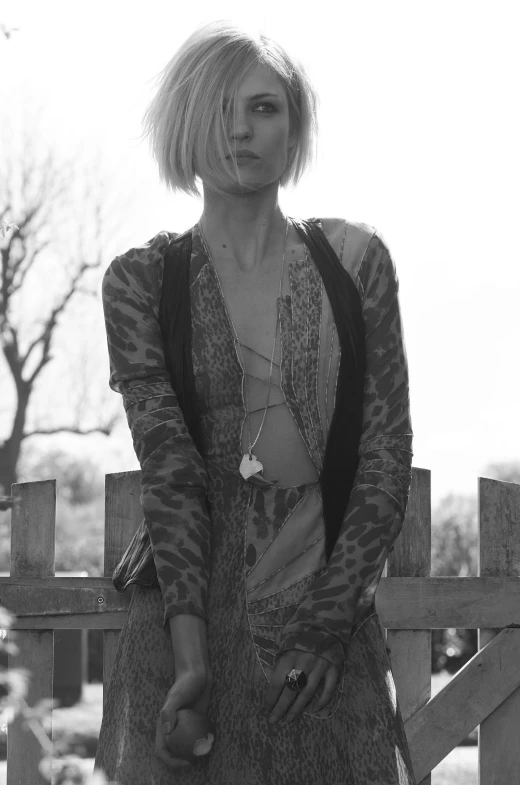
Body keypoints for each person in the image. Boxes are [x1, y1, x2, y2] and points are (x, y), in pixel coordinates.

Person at [94, 18, 416, 785]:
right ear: (185, 123)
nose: (241, 128)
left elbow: (384, 451)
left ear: (294, 125)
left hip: (324, 615)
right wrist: (191, 658)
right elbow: (170, 470)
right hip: (183, 616)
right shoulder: (140, 281)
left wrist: (329, 625)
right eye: (220, 107)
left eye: (265, 107)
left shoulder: (355, 260)